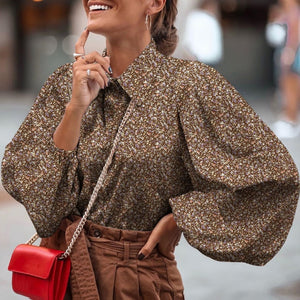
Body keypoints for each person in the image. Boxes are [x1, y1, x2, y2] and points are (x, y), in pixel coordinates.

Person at [1, 0, 299, 298]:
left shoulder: (189, 86)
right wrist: (75, 109)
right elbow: (43, 210)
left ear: (154, 3)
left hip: (138, 283)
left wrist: (182, 217)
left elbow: (275, 178)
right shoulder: (65, 84)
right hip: (63, 279)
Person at [271, 0, 300, 138]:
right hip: (293, 51)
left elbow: (295, 31)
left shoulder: (293, 9)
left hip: (293, 51)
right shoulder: (290, 10)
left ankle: (291, 120)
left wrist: (290, 50)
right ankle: (289, 119)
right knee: (288, 84)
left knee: (290, 85)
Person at [183, 0, 223, 66]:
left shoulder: (192, 16)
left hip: (195, 58)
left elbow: (186, 41)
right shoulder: (212, 20)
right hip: (211, 60)